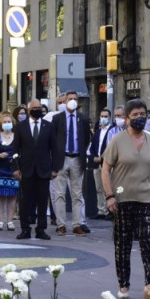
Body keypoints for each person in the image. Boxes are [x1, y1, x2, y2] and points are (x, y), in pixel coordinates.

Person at [100, 98, 150, 299]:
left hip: (148, 197)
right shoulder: (117, 141)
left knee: (148, 242)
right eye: (135, 115)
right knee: (123, 243)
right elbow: (105, 169)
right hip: (122, 196)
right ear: (127, 118)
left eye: (142, 114)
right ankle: (124, 285)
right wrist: (110, 195)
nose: (139, 118)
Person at [10, 98, 59, 240]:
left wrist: (55, 168)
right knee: (25, 201)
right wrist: (15, 167)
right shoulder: (21, 126)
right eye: (35, 108)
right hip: (26, 169)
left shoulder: (48, 126)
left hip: (44, 170)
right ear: (29, 110)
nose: (37, 110)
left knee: (43, 201)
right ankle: (25, 229)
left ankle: (41, 229)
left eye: (39, 108)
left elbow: (54, 149)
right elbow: (15, 149)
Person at [52, 91, 92, 236]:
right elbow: (53, 140)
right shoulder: (57, 118)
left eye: (75, 99)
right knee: (60, 194)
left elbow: (87, 139)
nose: (72, 101)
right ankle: (61, 224)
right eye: (70, 99)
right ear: (65, 100)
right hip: (61, 159)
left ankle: (77, 224)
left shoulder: (83, 118)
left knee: (77, 194)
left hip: (77, 159)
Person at [89, 106, 121, 220]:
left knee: (110, 188)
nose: (103, 118)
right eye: (102, 116)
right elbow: (92, 147)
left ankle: (110, 210)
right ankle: (101, 210)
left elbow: (110, 148)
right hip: (96, 164)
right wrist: (93, 157)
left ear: (110, 118)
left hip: (107, 164)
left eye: (106, 116)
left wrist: (102, 158)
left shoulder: (113, 131)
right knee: (99, 188)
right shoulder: (97, 131)